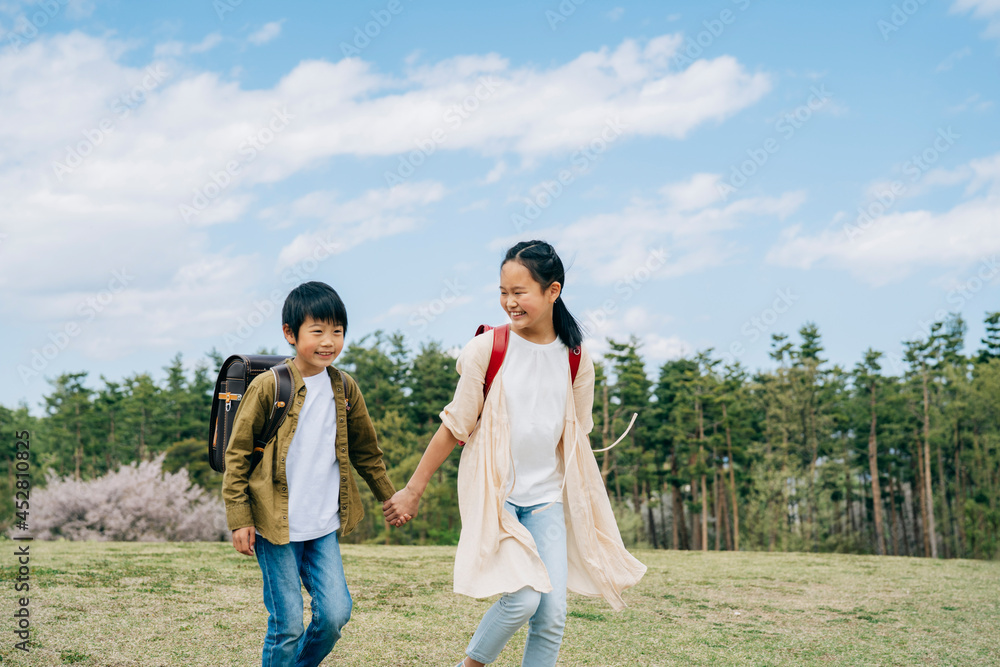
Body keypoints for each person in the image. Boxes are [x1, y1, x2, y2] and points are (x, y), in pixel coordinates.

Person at [383, 240, 647, 667]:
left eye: (520, 292)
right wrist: (414, 489)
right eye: (503, 291)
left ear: (552, 291)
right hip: (496, 494)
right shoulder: (487, 350)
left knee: (553, 615)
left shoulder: (577, 360)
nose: (510, 302)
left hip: (547, 500)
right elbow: (454, 427)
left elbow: (577, 436)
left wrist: (585, 506)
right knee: (524, 599)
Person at [222, 280, 406, 667]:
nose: (329, 341)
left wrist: (389, 496)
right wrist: (239, 518)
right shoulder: (269, 385)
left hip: (322, 525)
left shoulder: (344, 387)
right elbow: (237, 455)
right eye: (317, 331)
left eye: (337, 331)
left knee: (335, 615)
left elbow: (366, 451)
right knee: (287, 624)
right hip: (275, 525)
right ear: (290, 334)